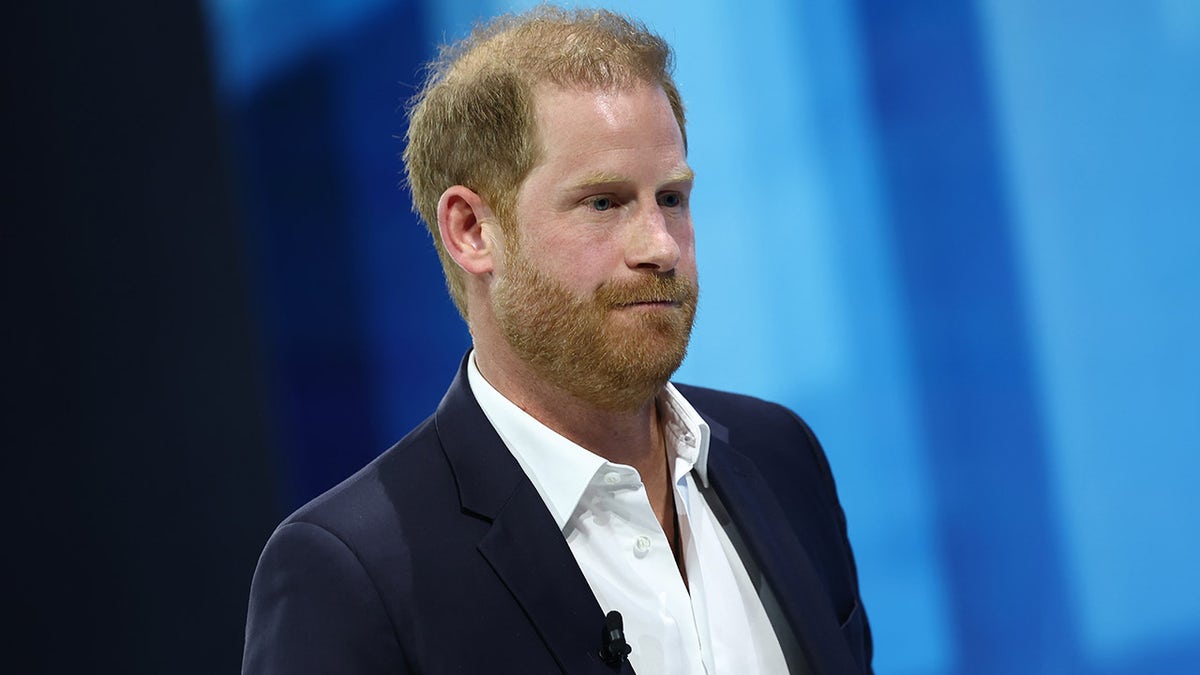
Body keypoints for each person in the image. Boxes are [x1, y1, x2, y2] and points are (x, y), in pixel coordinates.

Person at [243, 7, 871, 674]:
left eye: (672, 198)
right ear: (472, 230)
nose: (660, 246)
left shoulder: (781, 458)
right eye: (603, 202)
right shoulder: (351, 572)